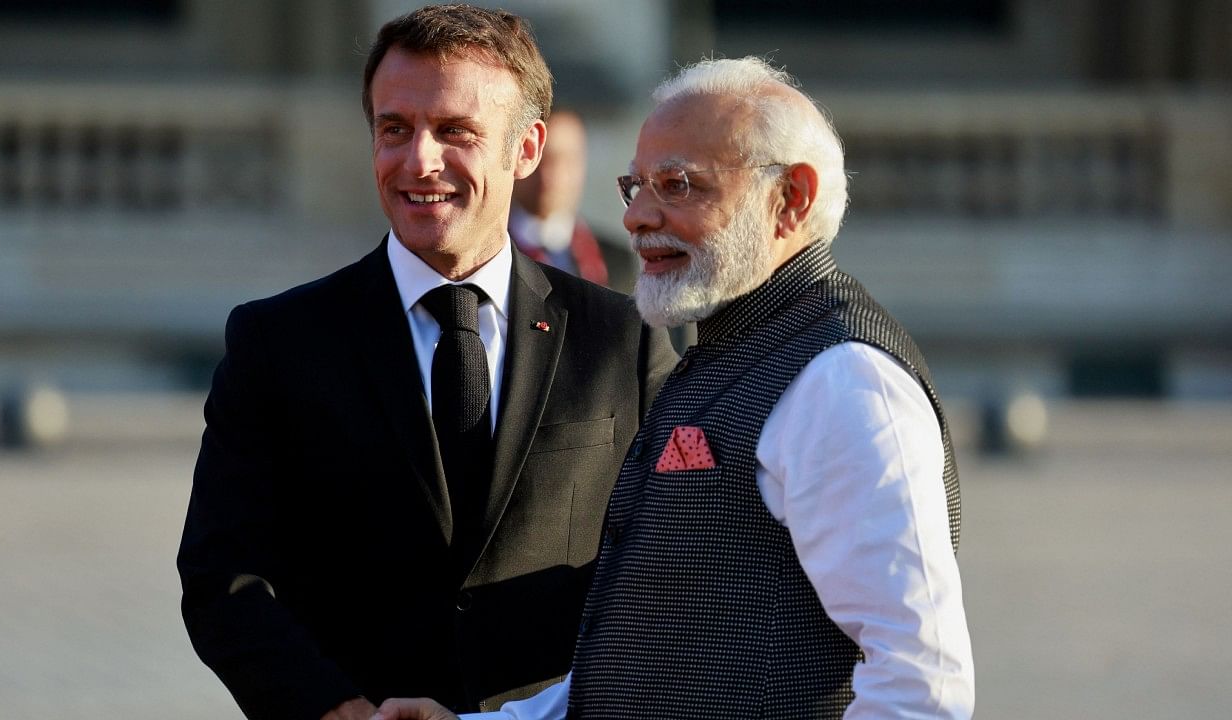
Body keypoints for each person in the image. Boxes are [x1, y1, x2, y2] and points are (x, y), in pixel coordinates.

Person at [378, 55, 974, 720]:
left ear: (792, 199)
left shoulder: (842, 381)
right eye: (637, 186)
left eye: (680, 185)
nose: (636, 217)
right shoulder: (726, 349)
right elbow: (645, 665)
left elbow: (922, 686)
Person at [176, 5, 676, 720]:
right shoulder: (278, 342)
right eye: (394, 130)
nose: (419, 162)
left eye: (455, 132)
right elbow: (222, 574)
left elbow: (668, 563)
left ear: (527, 148)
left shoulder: (621, 340)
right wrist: (335, 709)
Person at [508, 110, 636, 291]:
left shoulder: (616, 262)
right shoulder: (487, 254)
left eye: (566, 159)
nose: (552, 173)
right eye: (540, 158)